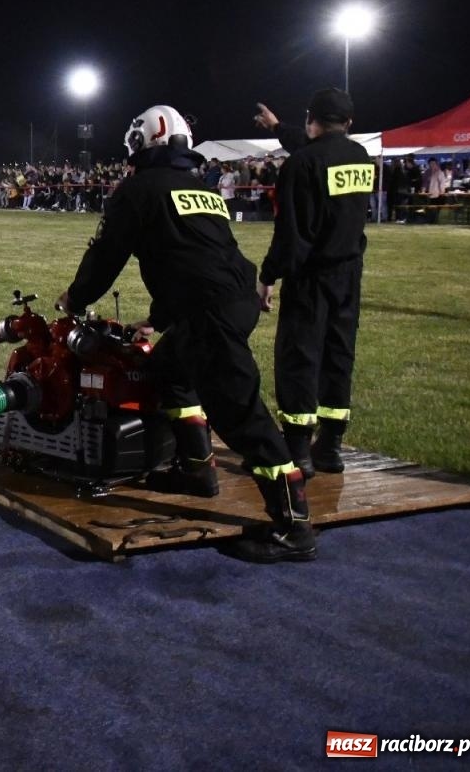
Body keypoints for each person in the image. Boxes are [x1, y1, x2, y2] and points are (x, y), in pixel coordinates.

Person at [57, 104, 315, 563]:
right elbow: (188, 256)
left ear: (146, 141)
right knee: (167, 371)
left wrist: (74, 300)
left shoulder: (138, 190)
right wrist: (160, 319)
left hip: (209, 312)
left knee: (240, 412)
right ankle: (197, 470)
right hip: (230, 299)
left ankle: (294, 526)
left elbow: (106, 257)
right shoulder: (196, 186)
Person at [253, 88, 371, 476]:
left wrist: (268, 275)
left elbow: (291, 235)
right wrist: (277, 128)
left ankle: (299, 450)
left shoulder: (300, 165)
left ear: (311, 118)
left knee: (299, 357)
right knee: (339, 353)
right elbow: (323, 151)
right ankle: (331, 446)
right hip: (349, 273)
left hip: (311, 277)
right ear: (349, 123)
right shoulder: (360, 157)